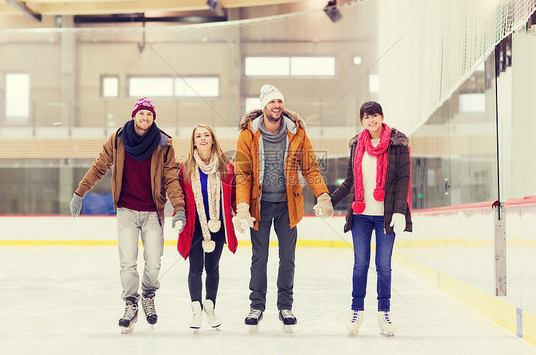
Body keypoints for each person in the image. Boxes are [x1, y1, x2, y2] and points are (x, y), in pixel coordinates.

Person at [69, 97, 186, 334]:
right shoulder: (118, 139)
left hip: (153, 211)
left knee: (153, 262)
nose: (145, 118)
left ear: (153, 118)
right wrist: (80, 192)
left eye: (149, 115)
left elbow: (171, 178)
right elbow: (99, 166)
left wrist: (179, 207)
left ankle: (148, 295)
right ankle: (131, 303)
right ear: (134, 115)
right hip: (126, 210)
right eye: (141, 113)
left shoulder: (163, 143)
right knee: (128, 262)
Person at [234, 84, 334, 331]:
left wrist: (322, 195)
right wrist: (243, 206)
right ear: (263, 106)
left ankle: (285, 306)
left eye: (279, 102)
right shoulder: (248, 134)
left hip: (287, 206)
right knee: (260, 258)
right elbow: (243, 173)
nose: (276, 106)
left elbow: (310, 167)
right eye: (271, 102)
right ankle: (256, 306)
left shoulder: (296, 132)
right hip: (260, 207)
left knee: (287, 258)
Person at [330, 101, 412, 336]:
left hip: (386, 216)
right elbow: (349, 181)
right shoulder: (357, 145)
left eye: (374, 115)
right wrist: (330, 202)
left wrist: (399, 211)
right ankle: (357, 311)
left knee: (383, 266)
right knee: (360, 265)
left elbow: (403, 179)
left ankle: (384, 313)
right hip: (361, 215)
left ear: (382, 116)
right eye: (366, 117)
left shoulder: (398, 144)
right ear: (362, 121)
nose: (371, 120)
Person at [176, 124, 238, 330]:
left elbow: (234, 197)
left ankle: (210, 307)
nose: (202, 138)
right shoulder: (184, 168)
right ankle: (196, 311)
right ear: (193, 141)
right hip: (194, 227)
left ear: (213, 139)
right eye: (198, 136)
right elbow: (179, 198)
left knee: (212, 268)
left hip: (217, 225)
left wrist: (241, 214)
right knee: (195, 269)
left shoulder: (226, 167)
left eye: (207, 135)